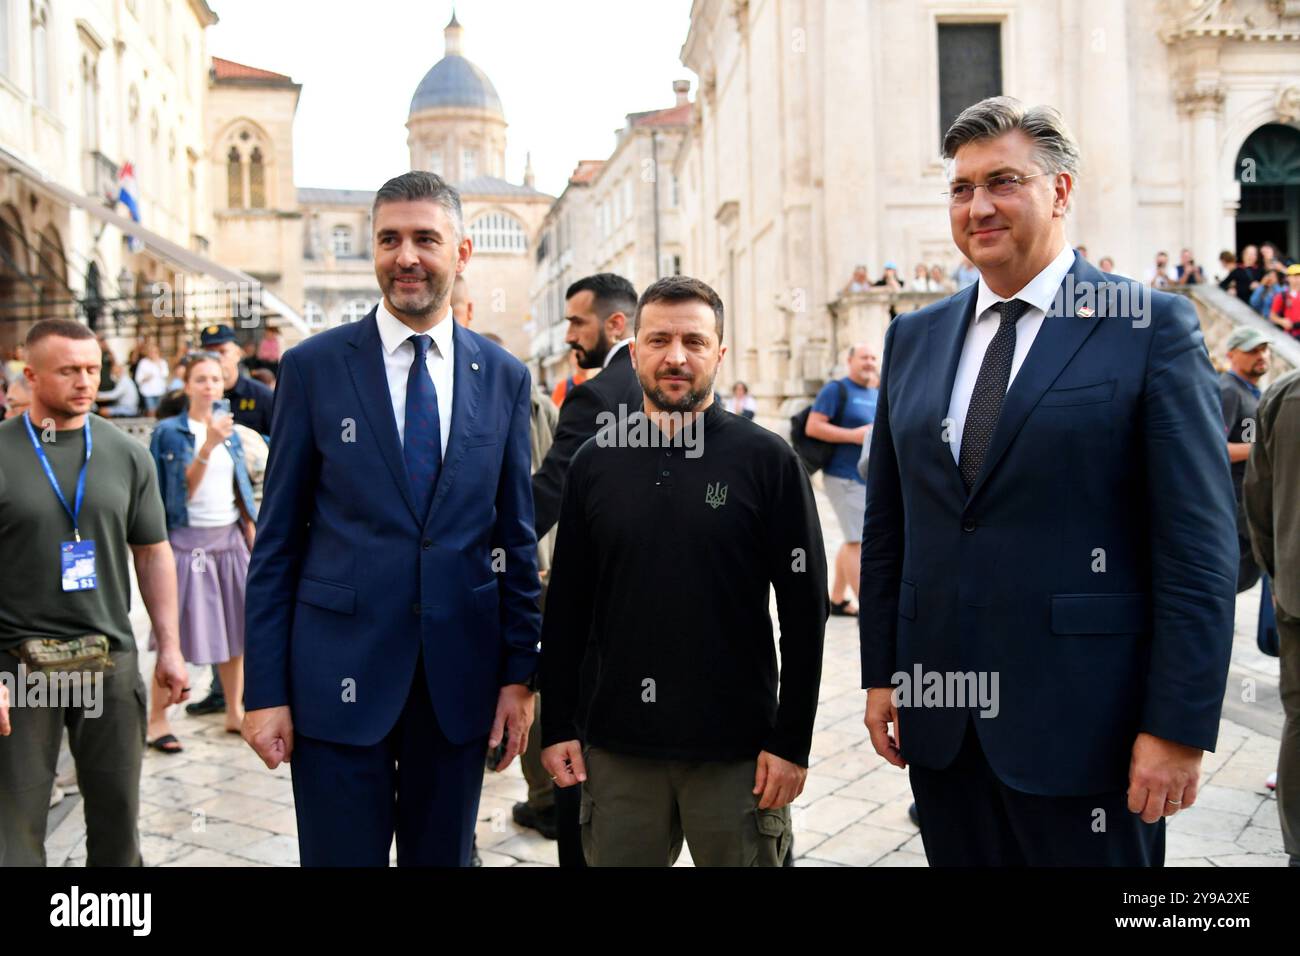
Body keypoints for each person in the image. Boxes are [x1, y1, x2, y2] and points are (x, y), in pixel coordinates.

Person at [860, 97, 1237, 866]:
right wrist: (882, 675)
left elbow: (1198, 547)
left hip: (1088, 732)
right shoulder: (912, 337)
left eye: (1003, 181)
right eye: (962, 189)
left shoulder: (1148, 327)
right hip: (944, 727)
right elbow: (893, 528)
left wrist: (1177, 727)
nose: (979, 206)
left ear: (1061, 191)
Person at [242, 171, 540, 867]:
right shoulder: (313, 369)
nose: (406, 255)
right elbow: (277, 544)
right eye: (389, 239)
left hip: (457, 686)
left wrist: (517, 678)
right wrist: (265, 693)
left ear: (462, 253)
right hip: (334, 683)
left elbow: (515, 543)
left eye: (426, 239)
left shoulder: (503, 377)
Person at [540, 276, 828, 866]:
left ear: (720, 353)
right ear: (635, 348)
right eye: (660, 340)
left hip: (738, 754)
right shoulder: (595, 463)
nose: (676, 357)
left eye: (695, 342)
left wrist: (791, 741)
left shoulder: (768, 461)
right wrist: (558, 726)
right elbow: (568, 604)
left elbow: (805, 614)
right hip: (617, 751)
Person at [0, 319, 188, 866]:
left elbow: (153, 552)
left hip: (108, 661)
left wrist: (170, 648)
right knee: (16, 826)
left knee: (117, 822)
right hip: (21, 667)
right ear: (31, 376)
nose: (85, 381)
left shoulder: (125, 453)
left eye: (92, 369)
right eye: (68, 371)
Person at [528, 272, 642, 866]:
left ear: (616, 323)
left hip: (599, 617)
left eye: (578, 321)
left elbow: (547, 495)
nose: (569, 333)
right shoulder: (685, 387)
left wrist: (468, 530)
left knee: (585, 780)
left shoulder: (597, 395)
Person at [146, 353, 258, 753]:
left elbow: (239, 488)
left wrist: (251, 531)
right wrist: (207, 446)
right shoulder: (169, 434)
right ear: (186, 384)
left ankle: (234, 711)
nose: (210, 386)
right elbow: (176, 496)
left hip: (228, 541)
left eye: (215, 379)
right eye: (201, 379)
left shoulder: (231, 429)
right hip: (185, 543)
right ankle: (157, 720)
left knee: (235, 630)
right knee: (171, 633)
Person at [185, 324, 276, 718]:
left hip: (248, 511)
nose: (217, 358)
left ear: (237, 353)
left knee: (241, 608)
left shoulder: (261, 397)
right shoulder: (187, 408)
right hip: (201, 520)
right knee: (207, 610)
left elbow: (280, 449)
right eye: (209, 352)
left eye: (222, 351)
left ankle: (243, 691)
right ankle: (218, 691)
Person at [1243, 365, 1300, 868]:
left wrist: (1277, 574)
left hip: (1295, 592)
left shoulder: (1282, 393)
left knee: (1299, 717)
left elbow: (1256, 501)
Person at [805, 344, 879, 617]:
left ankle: (836, 600)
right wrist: (854, 435)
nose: (869, 362)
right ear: (849, 361)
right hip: (842, 475)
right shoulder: (836, 390)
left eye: (873, 357)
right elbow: (813, 426)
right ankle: (869, 607)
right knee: (857, 541)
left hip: (868, 477)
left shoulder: (877, 391)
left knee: (852, 537)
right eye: (864, 357)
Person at [1219, 327, 1270, 594]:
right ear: (1231, 355)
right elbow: (1217, 449)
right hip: (1236, 505)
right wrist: (1262, 448)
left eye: (1263, 349)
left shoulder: (1252, 392)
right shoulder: (1229, 390)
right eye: (1252, 350)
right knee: (1233, 579)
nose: (1260, 355)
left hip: (1251, 502)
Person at [133, 340, 168, 415]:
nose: (153, 354)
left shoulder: (162, 362)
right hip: (148, 392)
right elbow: (138, 379)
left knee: (160, 412)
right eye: (151, 352)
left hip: (160, 391)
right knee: (151, 411)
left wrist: (158, 364)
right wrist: (146, 378)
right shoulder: (143, 363)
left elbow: (165, 375)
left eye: (155, 352)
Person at [1269, 263, 1300, 340]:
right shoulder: (1282, 295)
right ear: (1288, 278)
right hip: (1290, 335)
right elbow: (1272, 316)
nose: (1298, 279)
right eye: (1295, 276)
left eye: (1299, 276)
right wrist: (1282, 321)